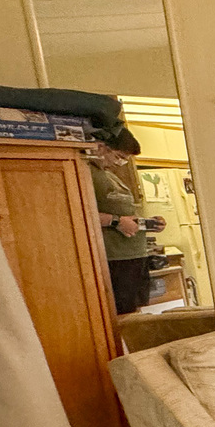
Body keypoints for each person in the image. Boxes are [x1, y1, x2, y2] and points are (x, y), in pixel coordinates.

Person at [90, 127, 165, 315]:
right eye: (118, 156)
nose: (120, 163)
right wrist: (116, 222)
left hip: (135, 255)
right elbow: (79, 213)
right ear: (101, 147)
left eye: (125, 159)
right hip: (115, 257)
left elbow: (125, 212)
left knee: (137, 312)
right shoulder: (85, 172)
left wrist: (146, 222)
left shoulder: (109, 174)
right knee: (122, 314)